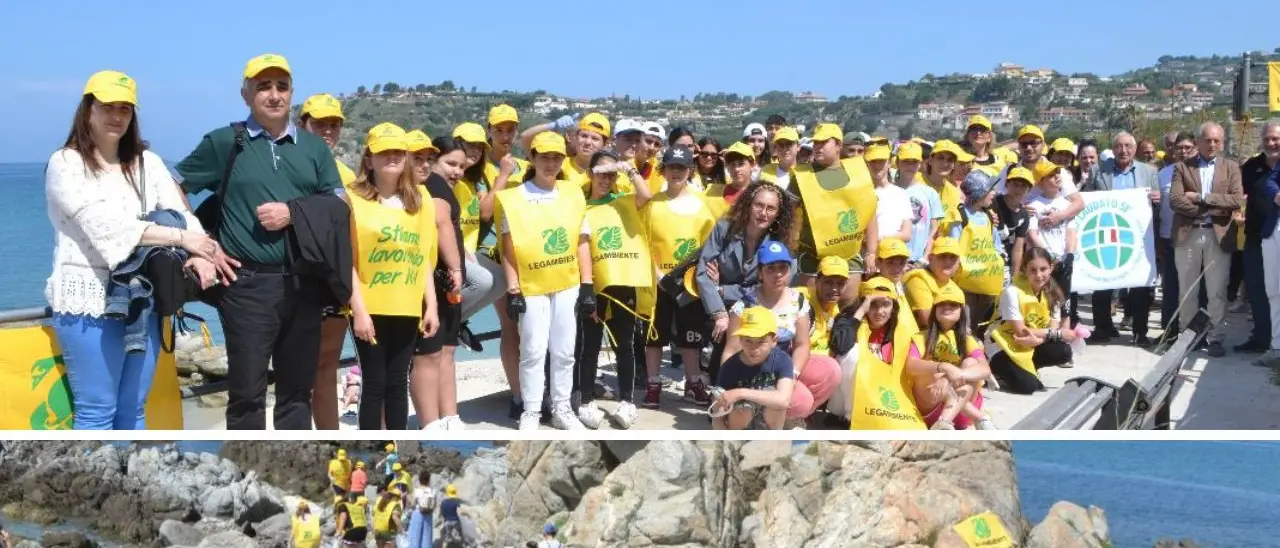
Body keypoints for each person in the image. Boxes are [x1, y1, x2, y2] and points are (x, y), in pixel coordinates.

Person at [176, 54, 343, 430]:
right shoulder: (224, 142)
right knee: (248, 395)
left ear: (291, 93)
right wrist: (199, 242)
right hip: (247, 285)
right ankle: (246, 470)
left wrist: (293, 212)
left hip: (305, 284)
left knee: (297, 394)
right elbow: (171, 187)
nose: (273, 94)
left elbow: (338, 204)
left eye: (281, 87)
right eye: (263, 86)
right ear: (245, 94)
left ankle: (290, 470)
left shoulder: (314, 149)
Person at [46, 70, 217, 430]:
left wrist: (202, 252)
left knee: (134, 411)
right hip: (89, 301)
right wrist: (182, 240)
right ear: (87, 109)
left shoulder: (147, 164)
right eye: (107, 106)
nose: (117, 115)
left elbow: (182, 214)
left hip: (143, 299)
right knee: (97, 410)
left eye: (125, 108)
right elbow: (103, 227)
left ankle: (130, 485)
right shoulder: (65, 164)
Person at [345, 123, 439, 430]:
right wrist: (358, 311)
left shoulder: (419, 200)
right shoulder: (351, 200)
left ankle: (397, 444)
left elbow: (423, 256)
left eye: (398, 151)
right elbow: (349, 262)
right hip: (369, 306)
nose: (392, 157)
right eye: (383, 152)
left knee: (398, 383)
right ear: (369, 159)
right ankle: (369, 443)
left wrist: (432, 306)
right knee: (374, 383)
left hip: (407, 306)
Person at [498, 132, 592, 430]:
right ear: (533, 158)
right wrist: (513, 288)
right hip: (531, 285)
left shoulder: (573, 193)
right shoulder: (513, 197)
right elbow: (508, 247)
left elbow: (582, 240)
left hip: (566, 281)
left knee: (564, 350)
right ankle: (531, 410)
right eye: (544, 157)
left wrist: (587, 284)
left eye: (556, 157)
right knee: (533, 350)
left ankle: (562, 407)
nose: (550, 163)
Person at [575, 149, 654, 429]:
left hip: (623, 281)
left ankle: (627, 400)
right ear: (589, 174)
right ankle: (585, 400)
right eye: (600, 173)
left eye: (611, 174)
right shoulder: (579, 205)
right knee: (590, 346)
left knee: (625, 345)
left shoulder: (624, 201)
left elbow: (646, 196)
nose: (605, 179)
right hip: (593, 285)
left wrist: (628, 168)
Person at [720, 242, 838, 428]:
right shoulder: (744, 305)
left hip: (783, 363)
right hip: (754, 369)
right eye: (771, 269)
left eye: (783, 267)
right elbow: (731, 350)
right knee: (801, 399)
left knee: (831, 369)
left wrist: (793, 374)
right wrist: (725, 387)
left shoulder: (798, 302)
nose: (778, 274)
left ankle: (788, 419)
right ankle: (760, 416)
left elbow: (801, 344)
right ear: (760, 272)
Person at [640, 146, 718, 410]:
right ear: (663, 170)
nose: (676, 172)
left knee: (691, 337)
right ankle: (653, 384)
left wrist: (698, 277)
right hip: (657, 281)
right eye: (671, 167)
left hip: (689, 284)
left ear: (690, 171)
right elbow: (643, 244)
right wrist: (658, 275)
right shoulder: (652, 204)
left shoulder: (702, 206)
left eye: (681, 168)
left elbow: (708, 248)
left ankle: (693, 382)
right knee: (654, 336)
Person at [298, 93, 356, 430]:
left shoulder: (347, 175)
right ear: (303, 123)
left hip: (333, 283)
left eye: (334, 124)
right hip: (294, 281)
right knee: (297, 372)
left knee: (326, 368)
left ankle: (329, 438)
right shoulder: (286, 165)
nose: (328, 130)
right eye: (320, 123)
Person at [413, 137, 474, 431]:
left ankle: (449, 415)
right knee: (432, 353)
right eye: (450, 163)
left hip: (447, 280)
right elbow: (441, 226)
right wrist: (456, 268)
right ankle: (435, 419)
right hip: (438, 279)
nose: (457, 171)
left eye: (462, 166)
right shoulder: (435, 187)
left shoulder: (445, 189)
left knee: (446, 350)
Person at [1169, 122, 1245, 357]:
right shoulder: (1182, 167)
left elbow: (1235, 200)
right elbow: (1176, 200)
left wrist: (1201, 198)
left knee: (1217, 290)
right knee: (1187, 290)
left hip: (1218, 235)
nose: (1212, 144)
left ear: (1222, 143)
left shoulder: (1231, 167)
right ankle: (1187, 336)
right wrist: (1208, 209)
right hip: (1189, 233)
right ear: (1198, 142)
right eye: (1207, 140)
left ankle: (1215, 338)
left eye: (1216, 140)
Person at [1085, 132, 1161, 346]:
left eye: (1128, 146)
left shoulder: (1149, 171)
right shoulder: (1097, 171)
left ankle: (1140, 332)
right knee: (1102, 284)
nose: (1123, 150)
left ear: (1135, 149)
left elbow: (1157, 203)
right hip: (1106, 234)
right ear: (1112, 148)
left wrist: (1157, 198)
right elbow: (1087, 199)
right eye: (1119, 146)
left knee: (1140, 287)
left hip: (1138, 237)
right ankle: (1102, 328)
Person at [791, 124, 879, 302]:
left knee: (847, 314)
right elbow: (790, 217)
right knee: (811, 313)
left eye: (824, 142)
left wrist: (871, 252)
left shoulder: (858, 172)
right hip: (812, 260)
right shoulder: (801, 176)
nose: (818, 146)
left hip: (850, 257)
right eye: (816, 142)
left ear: (839, 145)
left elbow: (869, 214)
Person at [828, 277, 926, 430]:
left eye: (886, 304)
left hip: (879, 397)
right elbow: (840, 347)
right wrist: (860, 313)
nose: (880, 312)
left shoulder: (899, 331)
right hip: (844, 399)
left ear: (893, 307)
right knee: (853, 354)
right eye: (873, 304)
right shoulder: (848, 318)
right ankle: (849, 417)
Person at [987, 247, 1077, 394]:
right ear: (1024, 269)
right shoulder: (1012, 292)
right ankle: (997, 370)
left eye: (1043, 269)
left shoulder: (1052, 292)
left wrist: (1040, 341)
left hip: (1031, 341)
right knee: (1027, 387)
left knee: (1063, 352)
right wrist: (1059, 334)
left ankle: (1029, 368)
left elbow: (1052, 328)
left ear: (1051, 268)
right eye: (1033, 270)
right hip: (1002, 344)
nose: (1039, 275)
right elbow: (1021, 331)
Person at [905, 283, 995, 430]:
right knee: (931, 370)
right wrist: (944, 368)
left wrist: (953, 375)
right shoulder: (921, 337)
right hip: (931, 404)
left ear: (961, 311)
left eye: (953, 304)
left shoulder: (967, 340)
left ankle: (944, 422)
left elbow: (985, 369)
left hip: (961, 408)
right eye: (942, 304)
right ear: (934, 310)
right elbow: (911, 366)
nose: (947, 307)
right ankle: (980, 418)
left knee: (971, 362)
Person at [711, 306, 796, 430]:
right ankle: (736, 443)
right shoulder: (730, 366)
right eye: (748, 341)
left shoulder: (783, 360)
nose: (754, 348)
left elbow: (783, 400)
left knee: (776, 406)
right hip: (741, 418)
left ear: (774, 341)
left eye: (761, 342)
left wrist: (740, 392)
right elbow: (716, 409)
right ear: (740, 339)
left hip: (768, 417)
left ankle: (773, 443)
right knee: (741, 408)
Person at [1239, 122, 1280, 358]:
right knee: (1257, 288)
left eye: (1275, 138)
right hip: (1256, 236)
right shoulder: (1252, 166)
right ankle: (1262, 338)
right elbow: (1241, 193)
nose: (1271, 143)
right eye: (1267, 139)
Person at [951, 171, 1006, 336]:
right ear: (980, 192)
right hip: (965, 281)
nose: (994, 193)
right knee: (964, 322)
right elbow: (953, 244)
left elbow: (995, 243)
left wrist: (1001, 257)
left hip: (987, 279)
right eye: (990, 190)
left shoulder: (989, 216)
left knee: (982, 322)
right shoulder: (960, 216)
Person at [1157, 133, 1197, 335]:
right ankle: (1169, 332)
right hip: (1169, 238)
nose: (1183, 151)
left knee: (1197, 289)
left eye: (1188, 147)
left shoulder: (1203, 172)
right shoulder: (1163, 174)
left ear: (1195, 148)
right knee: (1171, 288)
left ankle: (1197, 333)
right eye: (1179, 147)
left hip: (1196, 235)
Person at [868, 143, 913, 249]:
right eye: (873, 161)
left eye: (881, 161)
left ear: (889, 163)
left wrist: (879, 239)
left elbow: (907, 234)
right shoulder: (861, 193)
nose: (877, 166)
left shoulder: (901, 194)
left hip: (894, 255)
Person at [994, 167, 1033, 281]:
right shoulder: (994, 202)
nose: (1019, 189)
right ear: (1007, 184)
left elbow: (1018, 248)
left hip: (1004, 259)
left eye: (1023, 186)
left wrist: (1015, 274)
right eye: (1015, 184)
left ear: (1029, 189)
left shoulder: (1024, 215)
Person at [703, 141, 757, 219]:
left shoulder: (759, 194)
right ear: (727, 167)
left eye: (741, 164)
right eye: (732, 165)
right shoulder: (713, 192)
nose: (736, 169)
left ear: (752, 165)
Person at [923, 140, 965, 238]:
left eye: (950, 160)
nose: (945, 163)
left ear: (954, 165)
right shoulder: (916, 182)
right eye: (940, 158)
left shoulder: (954, 193)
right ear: (930, 160)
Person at [407, 471, 438, 548]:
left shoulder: (417, 490)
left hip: (418, 514)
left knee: (415, 536)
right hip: (428, 515)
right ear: (428, 480)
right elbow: (435, 505)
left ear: (419, 479)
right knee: (427, 537)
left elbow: (413, 505)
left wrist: (408, 499)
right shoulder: (433, 491)